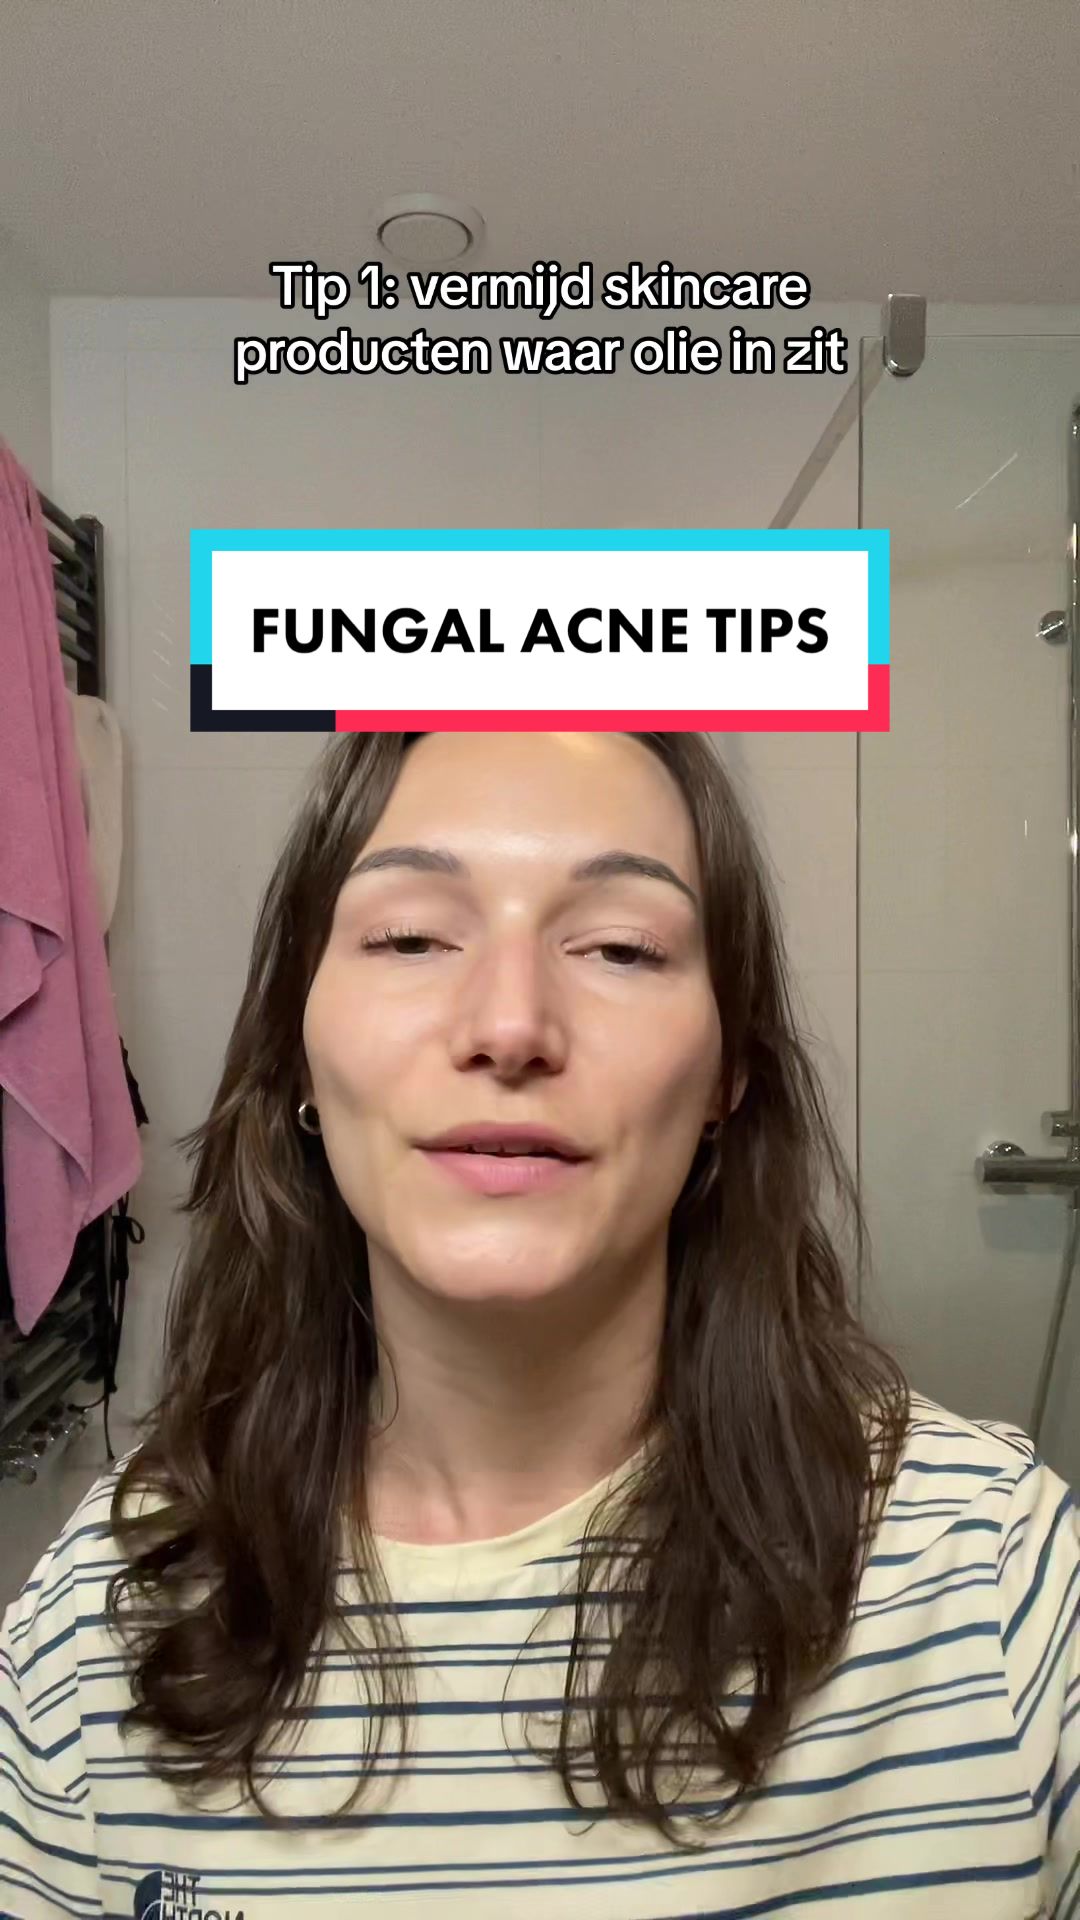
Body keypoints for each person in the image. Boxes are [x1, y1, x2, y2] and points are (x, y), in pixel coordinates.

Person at [2, 729, 1076, 1920]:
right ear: (296, 1049)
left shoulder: (998, 1584)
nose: (510, 1025)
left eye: (622, 947)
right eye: (411, 938)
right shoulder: (99, 1614)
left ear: (728, 1074)